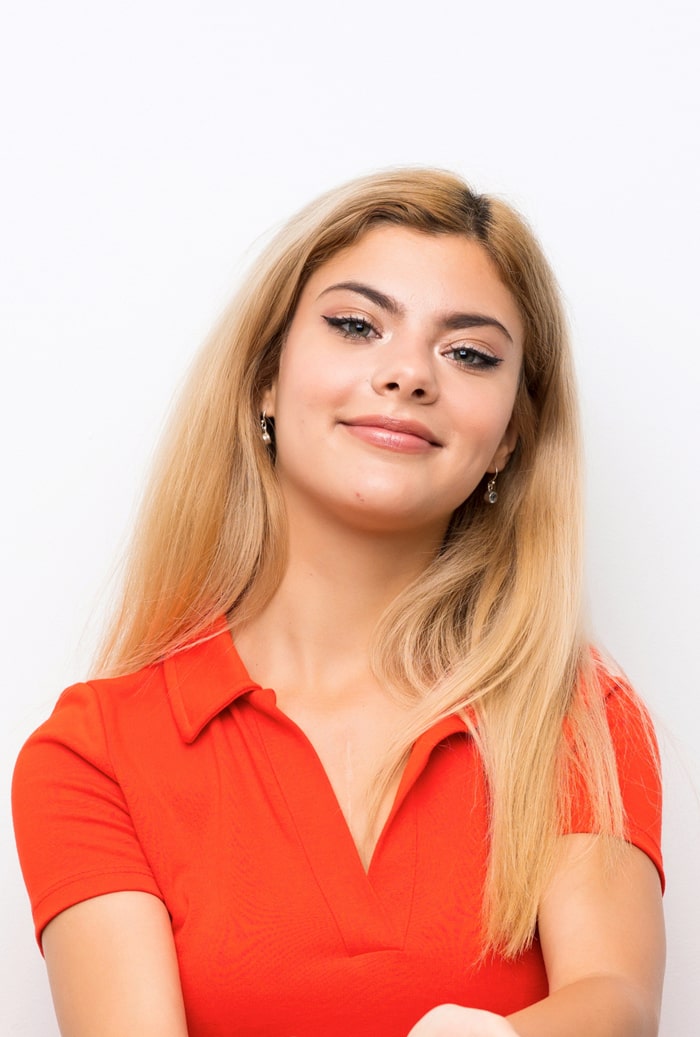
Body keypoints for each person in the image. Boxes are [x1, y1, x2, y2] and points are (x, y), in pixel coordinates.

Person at [12, 169, 664, 1037]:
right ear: (265, 379)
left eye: (469, 353)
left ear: (511, 435)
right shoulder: (95, 754)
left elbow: (618, 1003)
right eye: (357, 326)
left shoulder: (576, 715)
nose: (408, 373)